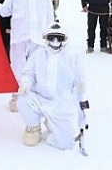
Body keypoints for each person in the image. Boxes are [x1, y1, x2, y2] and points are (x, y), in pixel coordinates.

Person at [0, 0, 54, 112]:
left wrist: (49, 34)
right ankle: (16, 97)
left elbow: (50, 16)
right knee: (17, 68)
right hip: (19, 37)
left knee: (37, 69)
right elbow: (4, 11)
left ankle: (35, 98)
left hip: (39, 39)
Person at [17, 22, 86, 150]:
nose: (55, 41)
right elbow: (29, 73)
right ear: (45, 38)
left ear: (64, 39)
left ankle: (54, 124)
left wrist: (81, 102)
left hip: (62, 104)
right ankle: (33, 128)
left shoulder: (72, 56)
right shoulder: (38, 54)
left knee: (65, 144)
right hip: (40, 99)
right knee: (22, 98)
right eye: (51, 37)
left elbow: (80, 81)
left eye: (58, 38)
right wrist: (25, 85)